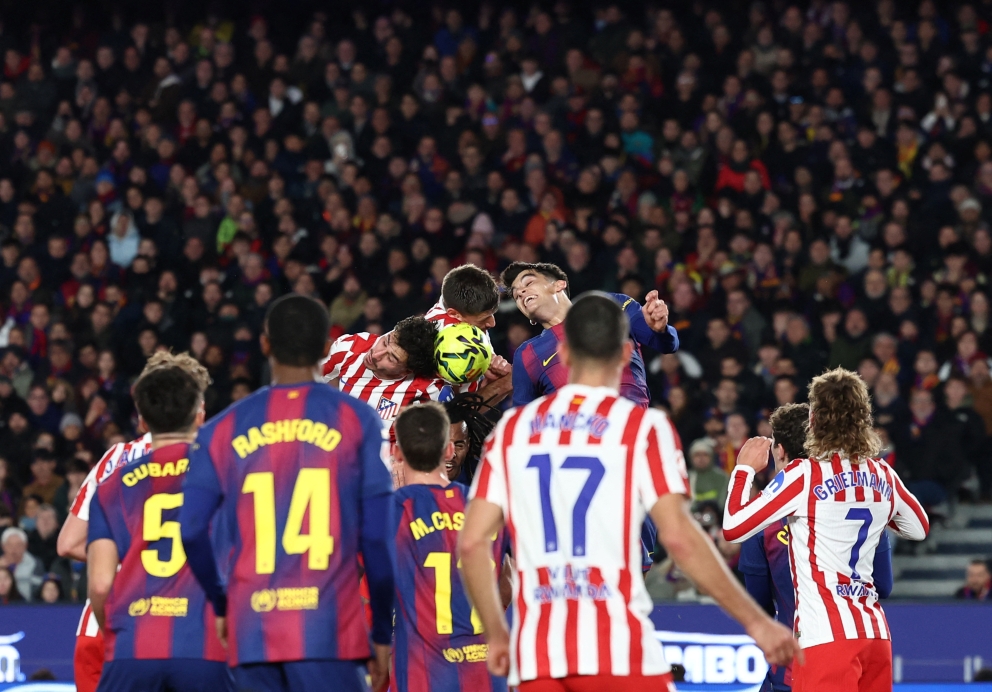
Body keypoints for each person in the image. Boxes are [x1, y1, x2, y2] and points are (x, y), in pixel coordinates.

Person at [459, 293, 798, 691]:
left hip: (539, 653)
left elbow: (473, 544)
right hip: (619, 649)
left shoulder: (511, 433)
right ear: (624, 355)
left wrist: (497, 633)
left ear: (564, 358)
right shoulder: (641, 427)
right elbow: (681, 539)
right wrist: (757, 622)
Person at [180, 294, 396, 692]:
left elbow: (191, 529)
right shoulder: (358, 420)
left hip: (252, 632)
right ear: (326, 349)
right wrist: (382, 631)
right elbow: (379, 540)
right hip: (330, 633)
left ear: (265, 344)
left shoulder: (221, 430)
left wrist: (222, 601)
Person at [723, 368, 930, 692]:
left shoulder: (804, 474)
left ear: (815, 420)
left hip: (826, 638)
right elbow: (918, 528)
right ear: (864, 417)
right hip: (875, 635)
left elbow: (734, 527)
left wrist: (743, 470)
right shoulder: (881, 472)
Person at [58, 352, 209, 692]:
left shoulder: (116, 460)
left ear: (143, 412)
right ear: (198, 410)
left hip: (111, 630)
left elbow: (67, 543)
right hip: (191, 632)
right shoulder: (215, 463)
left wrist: (125, 558)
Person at [86, 363, 233, 691]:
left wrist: (116, 637)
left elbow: (99, 585)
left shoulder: (110, 486)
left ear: (141, 419)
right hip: (208, 647)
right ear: (199, 414)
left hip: (132, 647)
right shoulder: (228, 476)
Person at [738, 403, 894, 692]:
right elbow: (883, 585)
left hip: (794, 666)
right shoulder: (861, 499)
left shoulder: (761, 523)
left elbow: (756, 605)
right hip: (861, 649)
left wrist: (743, 471)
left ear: (780, 451)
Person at [390, 403, 508, 692]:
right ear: (448, 451)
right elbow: (508, 587)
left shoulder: (391, 512)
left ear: (397, 453)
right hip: (486, 674)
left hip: (423, 674)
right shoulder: (486, 506)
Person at [499, 262, 679, 408]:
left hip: (631, 437)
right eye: (516, 296)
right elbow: (524, 420)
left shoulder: (611, 306)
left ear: (559, 284)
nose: (521, 293)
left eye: (528, 283)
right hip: (576, 446)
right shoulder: (526, 355)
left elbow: (667, 345)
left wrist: (660, 328)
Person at [321, 315, 442, 430]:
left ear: (407, 371)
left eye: (391, 358)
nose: (376, 354)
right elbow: (305, 379)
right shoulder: (351, 347)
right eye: (385, 342)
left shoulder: (428, 391)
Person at [423, 265, 513, 404]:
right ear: (454, 314)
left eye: (492, 314)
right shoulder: (446, 346)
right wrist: (506, 383)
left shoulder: (455, 302)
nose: (492, 323)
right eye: (483, 318)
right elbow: (460, 416)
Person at [442, 392, 498, 483]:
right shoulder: (412, 481)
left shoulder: (487, 477)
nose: (451, 454)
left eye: (459, 445)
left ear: (468, 445)